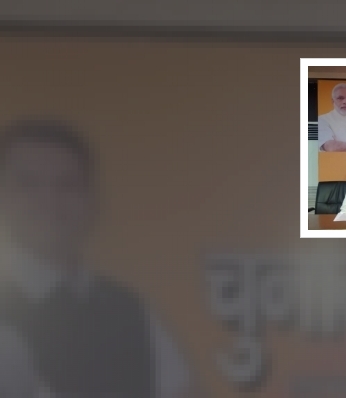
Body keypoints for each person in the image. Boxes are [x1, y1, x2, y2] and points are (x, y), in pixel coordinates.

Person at [0, 119, 198, 398]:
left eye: (67, 185)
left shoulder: (131, 310)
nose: (50, 199)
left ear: (92, 199)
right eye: (28, 184)